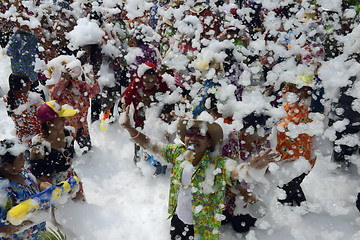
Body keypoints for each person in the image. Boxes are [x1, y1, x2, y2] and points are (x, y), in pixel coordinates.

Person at [120, 105, 279, 239]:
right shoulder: (177, 154)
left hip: (203, 227)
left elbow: (235, 171)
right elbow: (152, 145)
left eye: (201, 134)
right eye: (190, 133)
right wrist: (129, 128)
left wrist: (250, 169)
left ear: (209, 141)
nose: (194, 137)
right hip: (178, 219)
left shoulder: (216, 164)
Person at [222, 112, 272, 233]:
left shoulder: (263, 143)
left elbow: (265, 175)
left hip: (250, 194)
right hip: (228, 190)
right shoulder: (231, 142)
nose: (269, 133)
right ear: (249, 129)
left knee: (242, 228)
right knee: (223, 220)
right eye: (265, 129)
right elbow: (224, 173)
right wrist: (242, 191)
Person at [28, 100, 84, 201]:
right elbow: (38, 179)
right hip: (52, 186)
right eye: (60, 118)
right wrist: (58, 190)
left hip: (69, 176)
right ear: (49, 123)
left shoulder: (66, 134)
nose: (64, 119)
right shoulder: (38, 149)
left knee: (81, 203)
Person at [275, 75, 317, 206]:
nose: (295, 91)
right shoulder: (290, 104)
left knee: (286, 192)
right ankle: (300, 205)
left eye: (300, 88)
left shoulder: (312, 109)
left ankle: (297, 216)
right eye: (294, 88)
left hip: (301, 159)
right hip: (286, 156)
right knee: (289, 185)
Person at [121, 62, 170, 170]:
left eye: (153, 80)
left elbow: (169, 98)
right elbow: (125, 99)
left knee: (156, 147)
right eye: (146, 81)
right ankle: (138, 166)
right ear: (141, 78)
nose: (150, 84)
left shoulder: (161, 83)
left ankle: (158, 168)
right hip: (140, 124)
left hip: (156, 124)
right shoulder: (136, 84)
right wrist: (124, 107)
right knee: (139, 144)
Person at [48, 56, 101, 154]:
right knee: (69, 154)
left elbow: (94, 92)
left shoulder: (80, 85)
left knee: (88, 152)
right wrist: (62, 81)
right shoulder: (57, 89)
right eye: (65, 74)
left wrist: (92, 79)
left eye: (68, 73)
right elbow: (53, 95)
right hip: (66, 128)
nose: (67, 76)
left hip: (81, 126)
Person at [0, 139, 51, 239]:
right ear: (6, 165)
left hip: (38, 232)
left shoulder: (24, 172)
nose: (24, 160)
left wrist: (51, 189)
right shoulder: (3, 189)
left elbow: (38, 184)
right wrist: (9, 228)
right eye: (20, 158)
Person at [3, 72, 44, 146]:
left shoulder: (8, 97)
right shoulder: (29, 101)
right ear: (22, 86)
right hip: (36, 139)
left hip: (22, 136)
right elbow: (36, 124)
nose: (31, 84)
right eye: (28, 83)